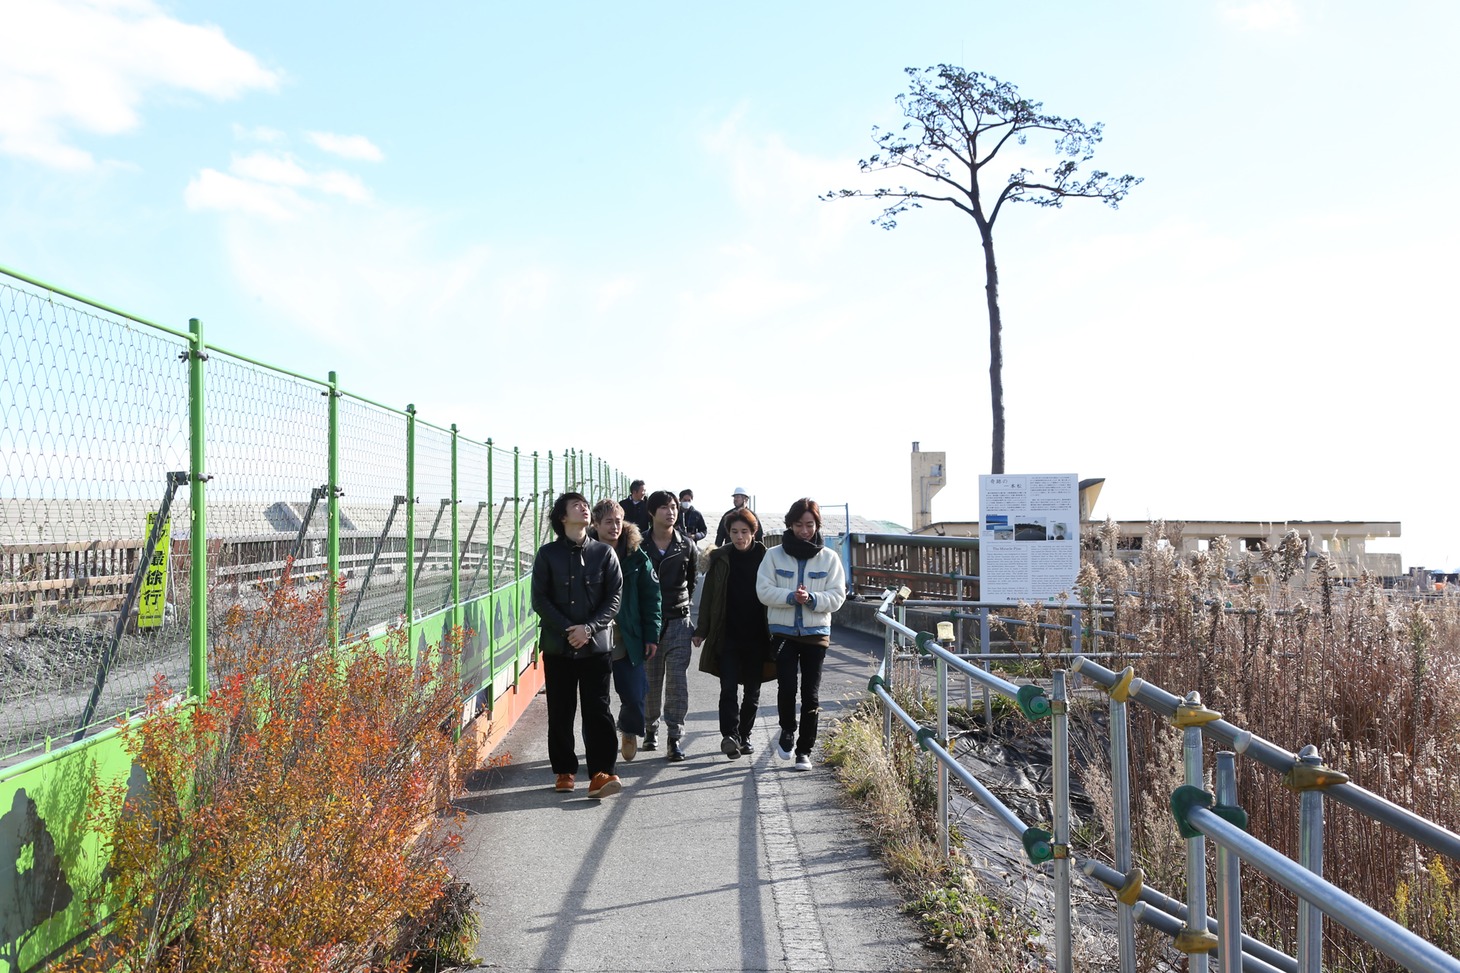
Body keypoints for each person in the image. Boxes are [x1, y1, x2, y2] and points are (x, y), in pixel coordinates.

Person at [530, 492, 625, 798]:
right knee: (561, 710)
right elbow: (539, 599)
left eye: (586, 505)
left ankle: (601, 773)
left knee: (598, 710)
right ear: (562, 516)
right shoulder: (547, 555)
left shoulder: (604, 554)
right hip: (559, 647)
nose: (584, 508)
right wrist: (568, 629)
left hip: (596, 646)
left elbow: (614, 598)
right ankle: (564, 771)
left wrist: (589, 628)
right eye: (576, 505)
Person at [756, 498, 847, 771]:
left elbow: (838, 596)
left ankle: (804, 749)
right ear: (790, 525)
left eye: (810, 525)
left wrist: (811, 599)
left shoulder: (829, 557)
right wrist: (790, 597)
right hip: (783, 632)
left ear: (817, 525)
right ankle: (786, 731)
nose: (804, 530)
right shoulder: (773, 555)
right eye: (799, 525)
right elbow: (763, 591)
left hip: (816, 633)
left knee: (811, 693)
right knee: (786, 687)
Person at [694, 508, 770, 760]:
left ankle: (744, 736)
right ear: (728, 533)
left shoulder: (766, 557)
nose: (739, 537)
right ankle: (730, 736)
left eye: (744, 532)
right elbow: (708, 597)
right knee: (727, 688)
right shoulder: (721, 557)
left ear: (754, 532)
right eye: (735, 532)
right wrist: (701, 630)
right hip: (727, 634)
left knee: (752, 692)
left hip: (758, 635)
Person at [590, 499, 661, 761]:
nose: (614, 526)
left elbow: (652, 597)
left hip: (627, 635)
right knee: (596, 701)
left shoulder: (636, 556)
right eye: (608, 521)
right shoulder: (584, 552)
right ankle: (597, 749)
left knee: (634, 694)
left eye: (618, 521)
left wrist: (651, 635)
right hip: (594, 635)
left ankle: (629, 730)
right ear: (595, 524)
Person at [641, 489, 699, 761]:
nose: (671, 511)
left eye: (674, 506)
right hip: (649, 625)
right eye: (664, 507)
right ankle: (649, 728)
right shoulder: (638, 544)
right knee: (650, 682)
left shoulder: (686, 544)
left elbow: (692, 581)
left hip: (678, 620)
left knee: (677, 682)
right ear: (652, 512)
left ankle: (674, 737)